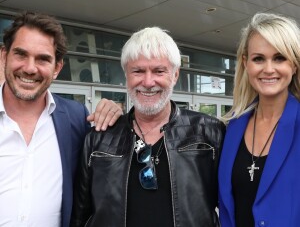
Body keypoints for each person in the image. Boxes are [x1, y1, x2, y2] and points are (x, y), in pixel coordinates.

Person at [71, 26, 226, 227]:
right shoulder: (99, 138)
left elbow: (232, 206)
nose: (148, 82)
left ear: (175, 75)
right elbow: (80, 215)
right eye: (138, 71)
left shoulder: (208, 132)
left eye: (159, 71)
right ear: (126, 76)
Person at [0, 11, 122, 227]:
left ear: (57, 68)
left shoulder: (76, 118)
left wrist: (115, 115)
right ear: (4, 56)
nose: (30, 68)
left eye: (43, 59)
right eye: (21, 54)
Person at [218, 13, 300, 227]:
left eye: (279, 57)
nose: (269, 69)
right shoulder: (230, 128)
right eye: (259, 58)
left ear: (294, 65)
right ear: (246, 63)